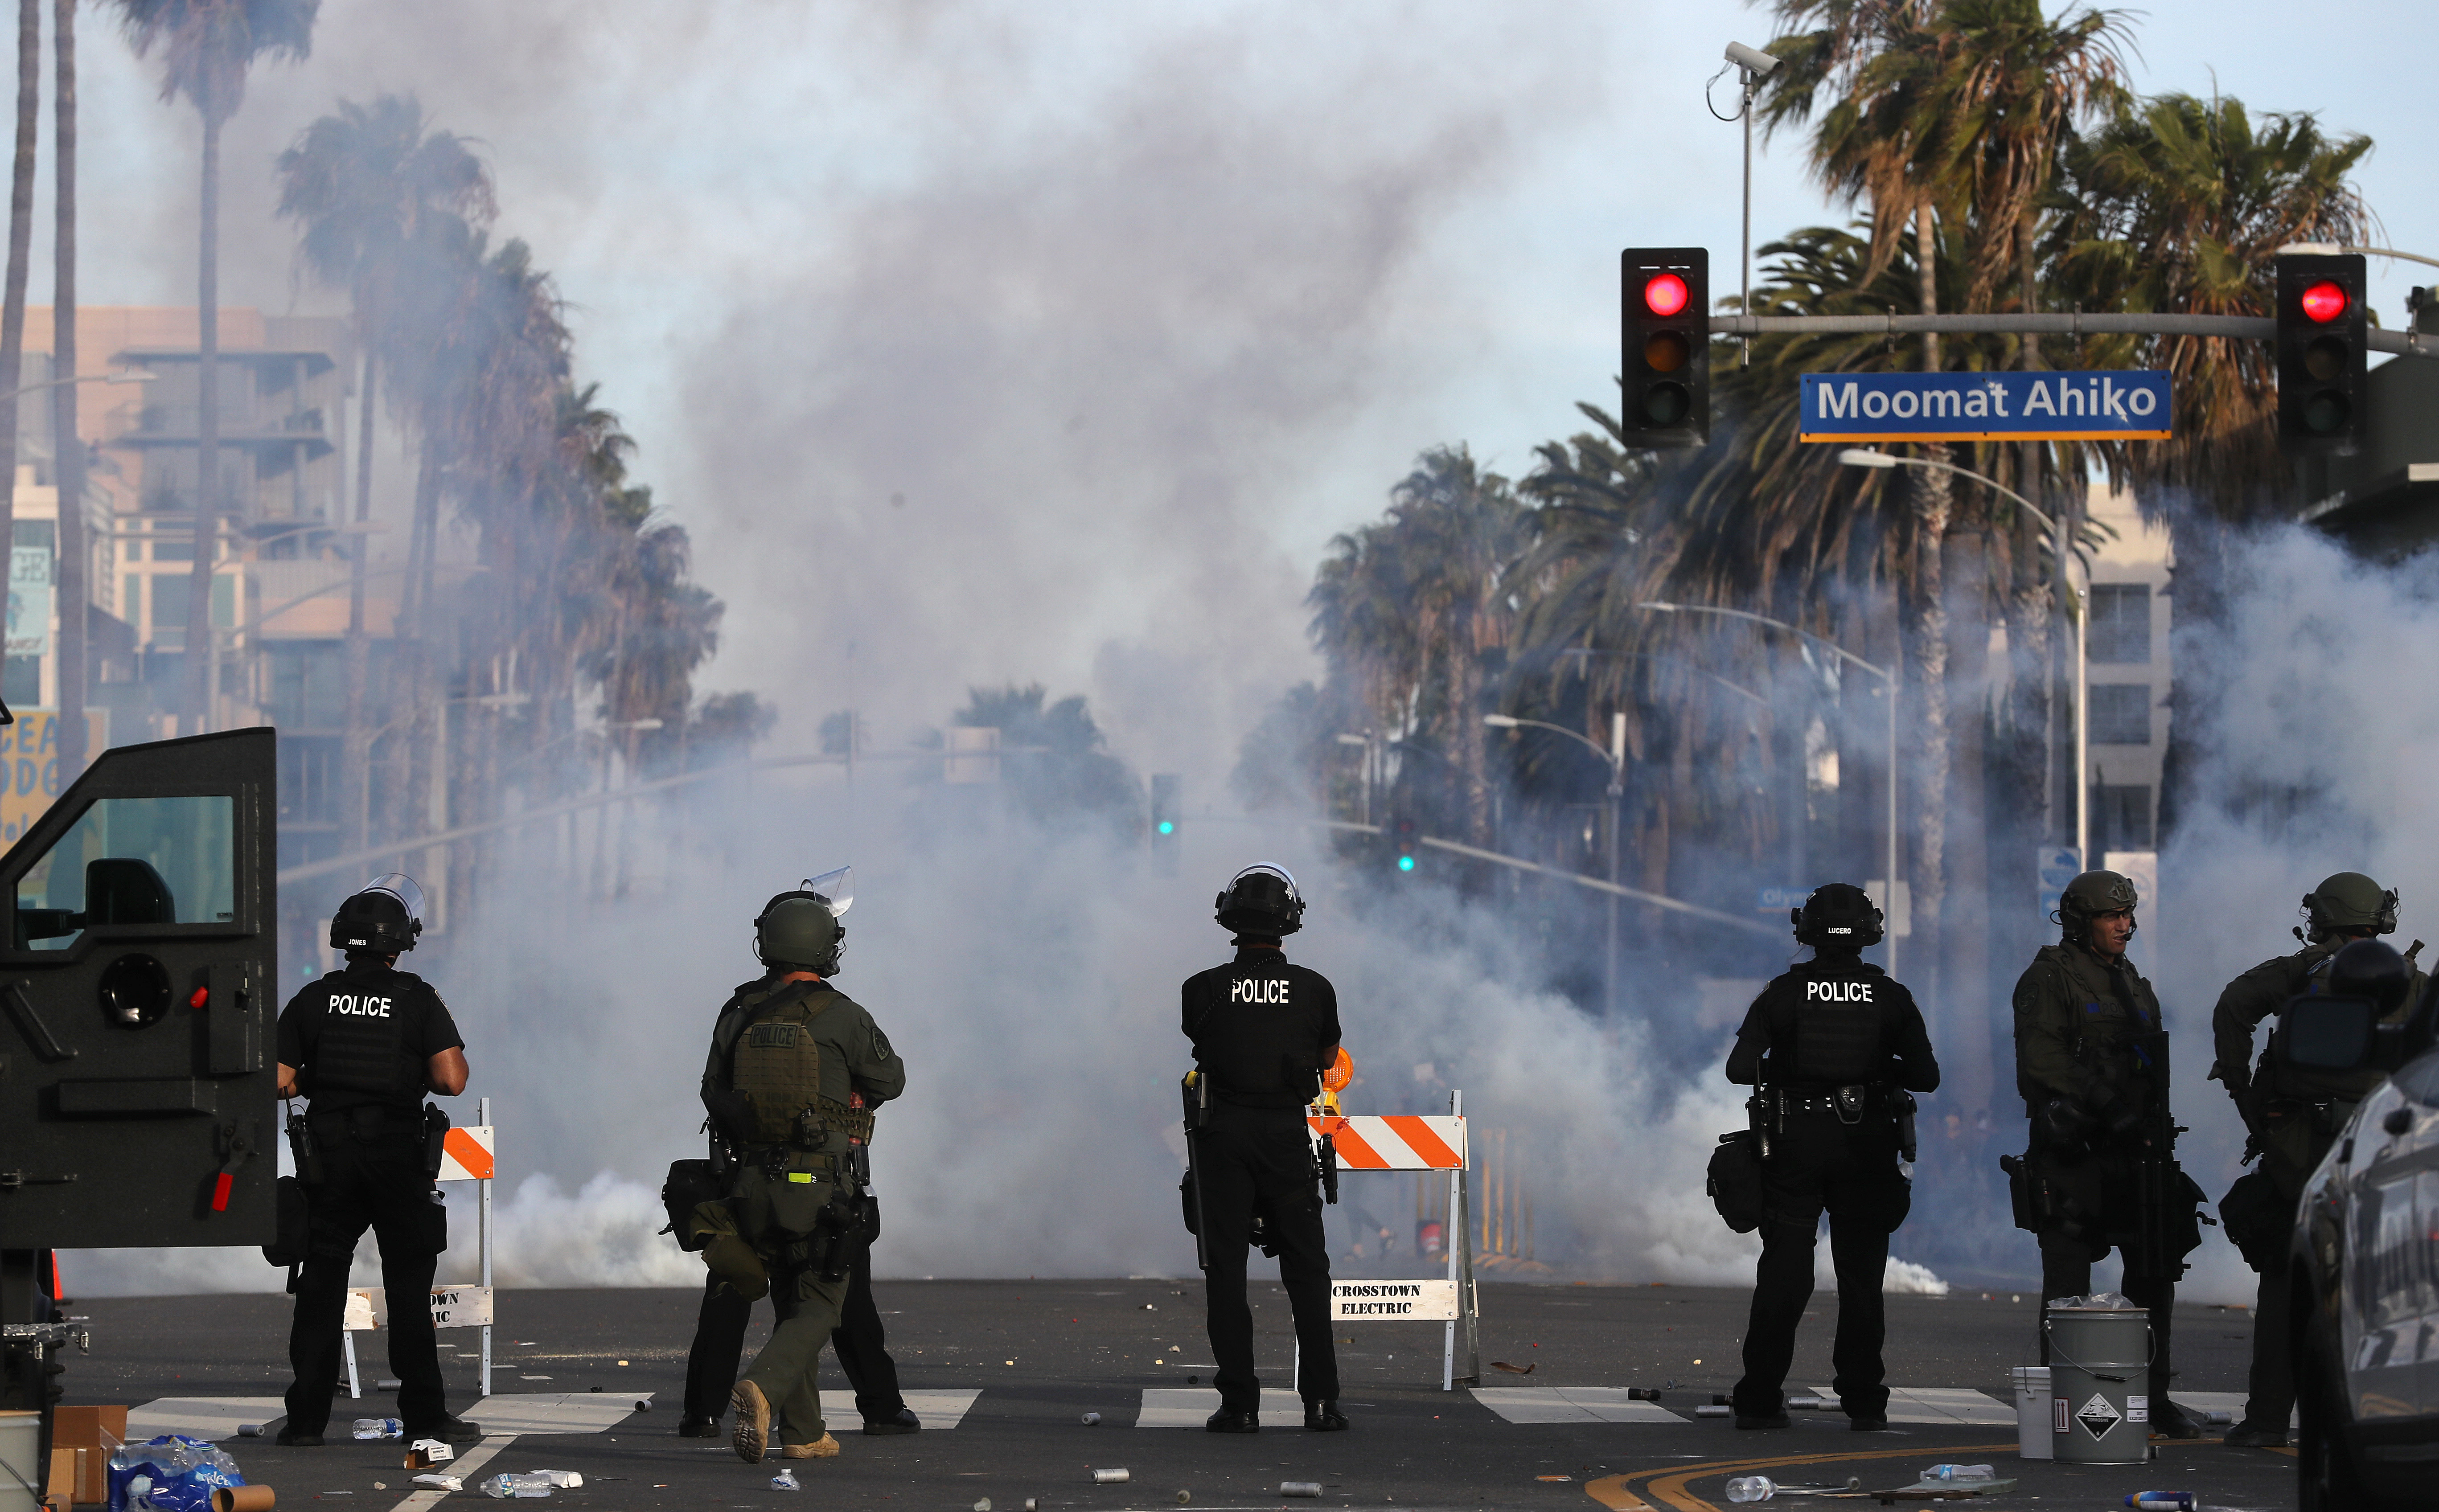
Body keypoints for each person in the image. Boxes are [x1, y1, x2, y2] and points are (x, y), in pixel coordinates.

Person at [698, 871, 907, 1465]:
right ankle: (762, 1387)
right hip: (816, 1184)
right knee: (822, 1301)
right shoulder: (844, 1015)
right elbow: (890, 1080)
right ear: (825, 946)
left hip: (747, 1182)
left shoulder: (736, 1012)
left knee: (790, 1298)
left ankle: (804, 1431)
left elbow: (712, 1089)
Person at [2209, 873, 2418, 1449]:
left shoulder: (2300, 973)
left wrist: (2241, 1091)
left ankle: (2268, 1419)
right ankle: (2367, 1422)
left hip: (2299, 1150)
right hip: (2382, 1152)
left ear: (2324, 916)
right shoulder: (2410, 980)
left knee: (2283, 1281)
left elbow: (2234, 1006)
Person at [1725, 884, 1939, 1431]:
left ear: (1807, 931)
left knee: (1785, 1275)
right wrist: (1872, 1072)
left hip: (1796, 1144)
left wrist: (1794, 1074)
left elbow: (1738, 1068)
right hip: (1865, 1144)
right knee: (1862, 1280)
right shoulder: (1891, 996)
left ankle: (1758, 1398)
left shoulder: (1783, 993)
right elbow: (1926, 1077)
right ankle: (1865, 1402)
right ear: (1871, 931)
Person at [275, 877, 480, 1448]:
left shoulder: (314, 999)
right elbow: (451, 1079)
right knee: (410, 1292)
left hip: (330, 1162)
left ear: (346, 940)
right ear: (400, 942)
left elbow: (279, 1079)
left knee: (320, 1290)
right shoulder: (417, 998)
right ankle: (425, 1417)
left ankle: (306, 1422)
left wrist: (323, 1076)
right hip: (396, 1160)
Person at [2008, 869, 2206, 1441]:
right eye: (2111, 916)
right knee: (2068, 1285)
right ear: (2080, 921)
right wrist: (2102, 1103)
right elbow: (2041, 1060)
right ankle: (2061, 1405)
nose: (2125, 925)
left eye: (2127, 915)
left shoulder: (2133, 982)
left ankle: (2154, 1397)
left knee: (2155, 1271)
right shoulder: (2051, 978)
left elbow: (2151, 1059)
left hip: (2136, 1152)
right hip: (2076, 1153)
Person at [1181, 864, 1347, 1434]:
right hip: (1284, 1136)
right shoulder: (1316, 988)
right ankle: (1321, 1404)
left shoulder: (1200, 989)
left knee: (1226, 1272)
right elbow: (1328, 1059)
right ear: (1289, 922)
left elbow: (1202, 1040)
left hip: (1222, 1139)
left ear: (1230, 916)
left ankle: (1240, 1405)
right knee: (1307, 1272)